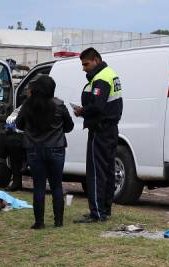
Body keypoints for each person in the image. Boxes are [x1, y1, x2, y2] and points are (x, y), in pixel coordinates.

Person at [16, 75, 74, 229]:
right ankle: (58, 222)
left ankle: (39, 222)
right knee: (56, 185)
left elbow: (19, 125)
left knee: (39, 186)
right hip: (56, 148)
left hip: (34, 149)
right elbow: (69, 127)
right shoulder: (59, 105)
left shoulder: (27, 105)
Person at [73, 47, 123, 223]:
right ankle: (105, 209)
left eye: (86, 64)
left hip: (100, 130)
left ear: (95, 60)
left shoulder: (101, 78)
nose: (84, 68)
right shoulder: (111, 73)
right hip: (110, 129)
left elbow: (97, 106)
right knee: (108, 171)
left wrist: (81, 111)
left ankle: (97, 212)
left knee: (96, 172)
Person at [4, 106, 25, 192]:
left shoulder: (22, 109)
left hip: (17, 138)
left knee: (15, 164)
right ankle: (17, 184)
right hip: (17, 138)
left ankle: (16, 184)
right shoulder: (22, 108)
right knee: (16, 163)